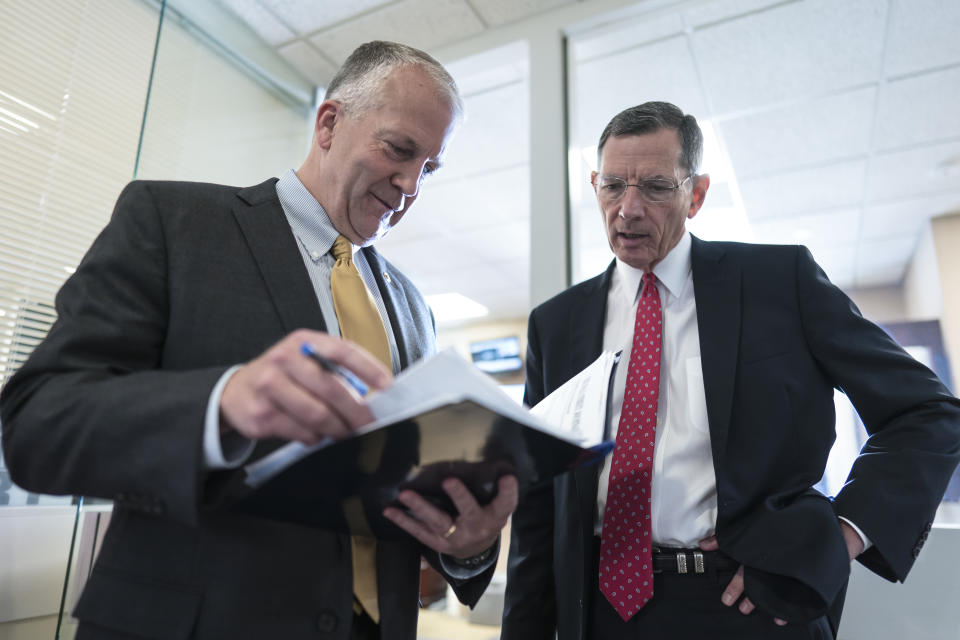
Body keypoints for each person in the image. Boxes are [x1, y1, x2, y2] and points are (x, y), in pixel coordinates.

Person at [0, 41, 517, 640]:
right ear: (329, 123)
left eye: (429, 167)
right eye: (399, 150)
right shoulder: (175, 223)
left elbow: (399, 493)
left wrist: (467, 545)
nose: (411, 186)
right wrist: (222, 403)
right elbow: (36, 426)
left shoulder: (413, 306)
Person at [501, 101, 960, 640]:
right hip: (599, 611)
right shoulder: (556, 325)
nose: (627, 209)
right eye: (611, 186)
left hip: (746, 602)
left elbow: (928, 412)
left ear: (695, 194)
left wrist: (834, 537)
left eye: (655, 186)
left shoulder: (778, 282)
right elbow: (538, 500)